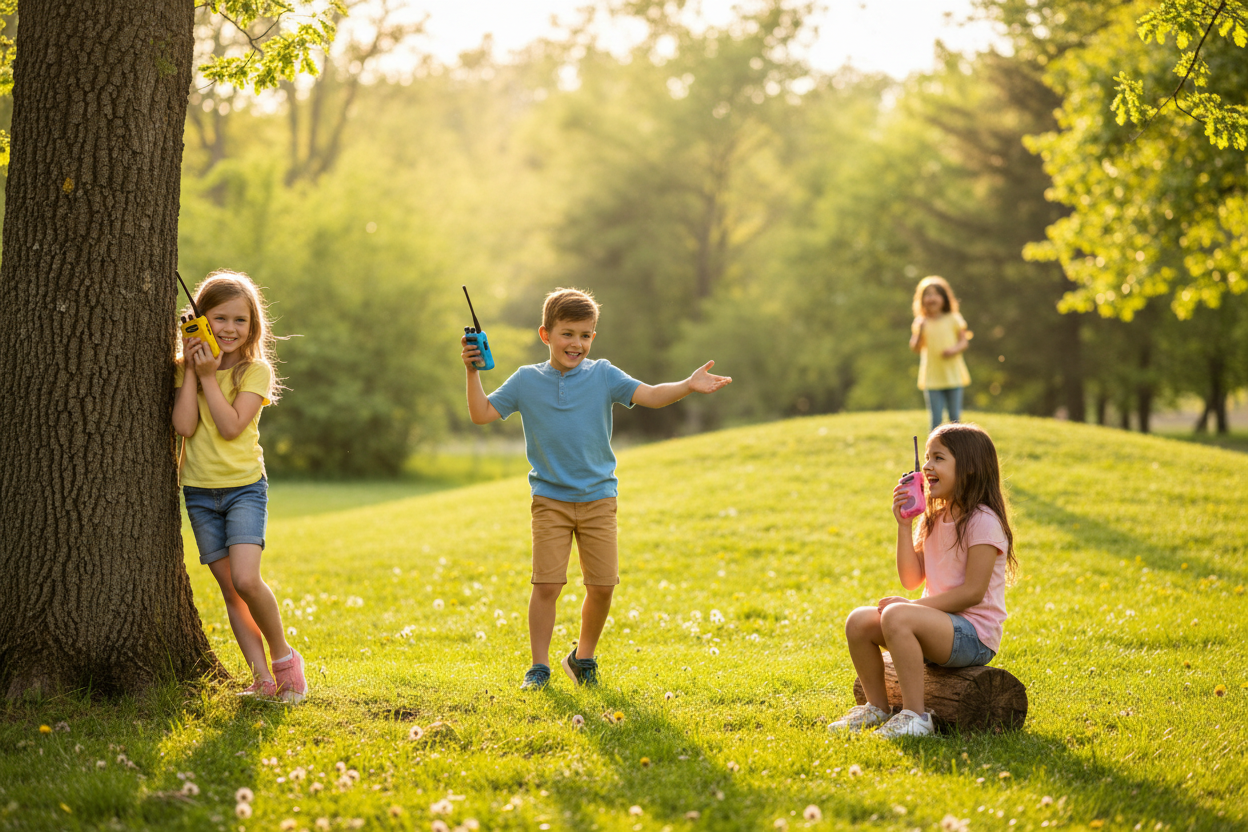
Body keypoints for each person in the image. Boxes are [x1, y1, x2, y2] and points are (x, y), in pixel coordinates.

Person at [461, 287, 732, 690]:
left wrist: (687, 385)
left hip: (598, 499)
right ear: (545, 334)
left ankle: (581, 658)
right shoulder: (525, 380)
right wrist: (472, 371)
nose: (577, 344)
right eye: (568, 333)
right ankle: (539, 667)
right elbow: (482, 414)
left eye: (586, 335)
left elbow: (652, 395)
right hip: (550, 499)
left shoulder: (604, 374)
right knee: (547, 584)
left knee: (603, 586)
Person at [830, 422, 1015, 738]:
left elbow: (972, 593)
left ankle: (916, 717)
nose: (927, 466)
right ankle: (877, 706)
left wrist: (911, 608)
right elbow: (911, 578)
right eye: (926, 457)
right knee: (858, 621)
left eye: (938, 458)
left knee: (897, 614)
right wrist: (904, 525)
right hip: (938, 627)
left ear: (968, 469)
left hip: (973, 636)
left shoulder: (983, 521)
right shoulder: (934, 517)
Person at [174, 270, 307, 703]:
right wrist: (194, 372)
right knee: (231, 590)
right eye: (219, 319)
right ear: (199, 319)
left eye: (240, 321)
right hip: (198, 490)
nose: (229, 329)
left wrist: (210, 377)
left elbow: (231, 427)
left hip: (243, 488)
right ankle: (261, 679)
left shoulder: (256, 371)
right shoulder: (186, 370)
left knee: (248, 581)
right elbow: (183, 425)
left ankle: (286, 661)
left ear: (253, 327)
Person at [909, 276, 972, 431]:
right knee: (935, 420)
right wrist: (920, 331)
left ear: (944, 298)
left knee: (955, 419)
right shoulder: (920, 322)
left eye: (936, 294)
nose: (931, 298)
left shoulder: (953, 319)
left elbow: (964, 342)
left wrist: (954, 350)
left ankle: (957, 452)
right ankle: (933, 452)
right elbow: (915, 347)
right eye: (928, 294)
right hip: (932, 377)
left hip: (953, 374)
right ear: (922, 300)